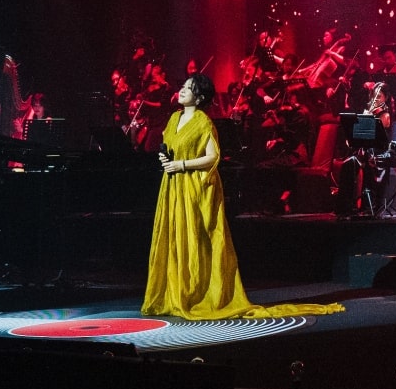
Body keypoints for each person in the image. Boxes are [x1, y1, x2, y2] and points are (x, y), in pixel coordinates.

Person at [141, 74, 342, 319]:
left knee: (195, 237)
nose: (182, 90)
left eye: (189, 88)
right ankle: (174, 292)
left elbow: (213, 157)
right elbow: (167, 145)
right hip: (172, 184)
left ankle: (197, 293)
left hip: (195, 185)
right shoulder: (174, 118)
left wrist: (181, 164)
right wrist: (165, 159)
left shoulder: (203, 122)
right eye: (183, 86)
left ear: (200, 97)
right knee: (174, 235)